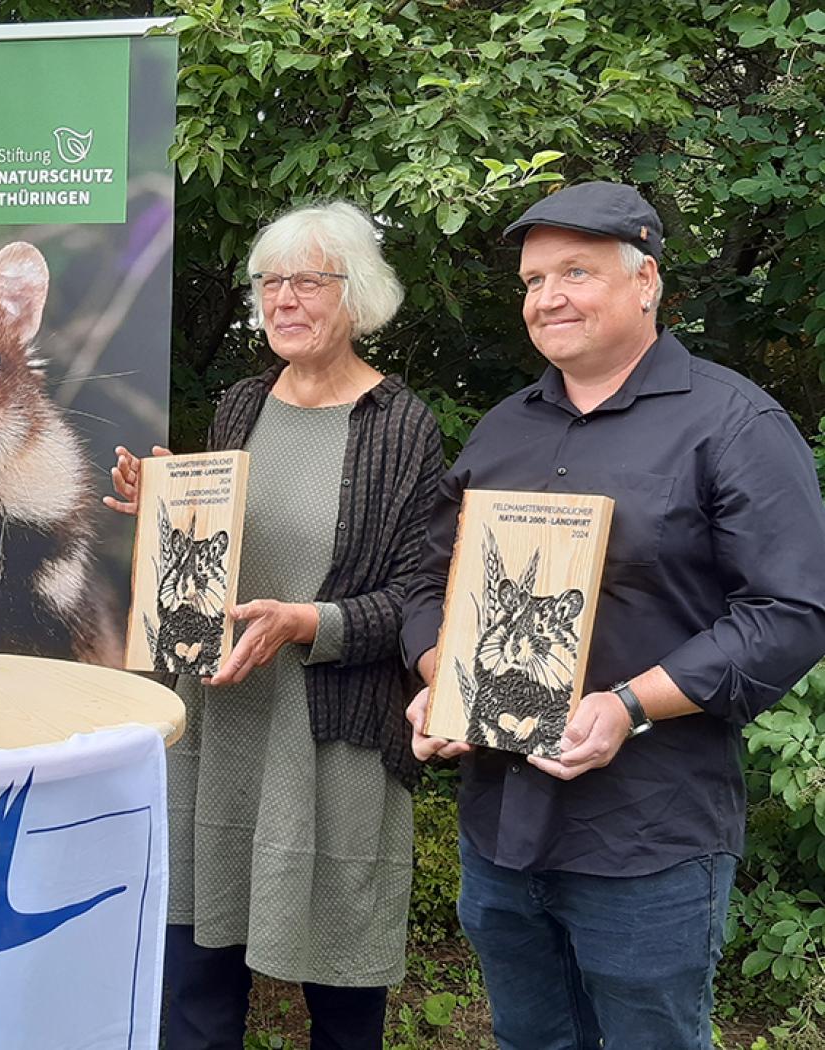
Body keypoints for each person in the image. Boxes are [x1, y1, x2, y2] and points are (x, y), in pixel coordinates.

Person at [402, 181, 825, 1049]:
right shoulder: (502, 431)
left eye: (575, 272)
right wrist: (439, 674)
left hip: (648, 840)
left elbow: (791, 613)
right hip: (500, 830)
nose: (547, 297)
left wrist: (630, 704)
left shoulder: (734, 422)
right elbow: (427, 582)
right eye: (532, 280)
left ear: (646, 281)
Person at [107, 200, 443, 1049]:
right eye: (268, 282)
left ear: (356, 295)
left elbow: (420, 594)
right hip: (224, 723)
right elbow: (222, 554)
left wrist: (309, 622)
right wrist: (169, 511)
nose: (282, 299)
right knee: (196, 982)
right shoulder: (241, 405)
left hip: (330, 735)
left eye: (307, 281)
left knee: (342, 986)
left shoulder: (401, 426)